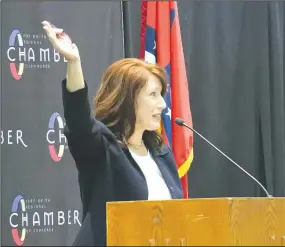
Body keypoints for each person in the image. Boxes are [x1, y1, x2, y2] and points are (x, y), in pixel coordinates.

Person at [42, 21, 183, 246]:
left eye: (162, 95)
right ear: (129, 98)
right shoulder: (103, 149)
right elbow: (80, 122)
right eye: (153, 95)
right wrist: (73, 62)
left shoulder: (162, 154)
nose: (162, 106)